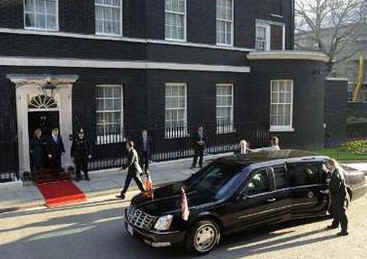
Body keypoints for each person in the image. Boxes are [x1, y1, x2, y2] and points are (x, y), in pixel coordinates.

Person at [323, 159, 349, 236]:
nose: (327, 167)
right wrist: (327, 172)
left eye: (327, 165)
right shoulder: (336, 171)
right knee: (335, 210)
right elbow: (333, 178)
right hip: (337, 195)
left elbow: (336, 186)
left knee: (341, 212)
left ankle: (344, 231)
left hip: (339, 196)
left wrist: (328, 191)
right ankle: (335, 224)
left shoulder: (337, 174)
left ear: (331, 165)